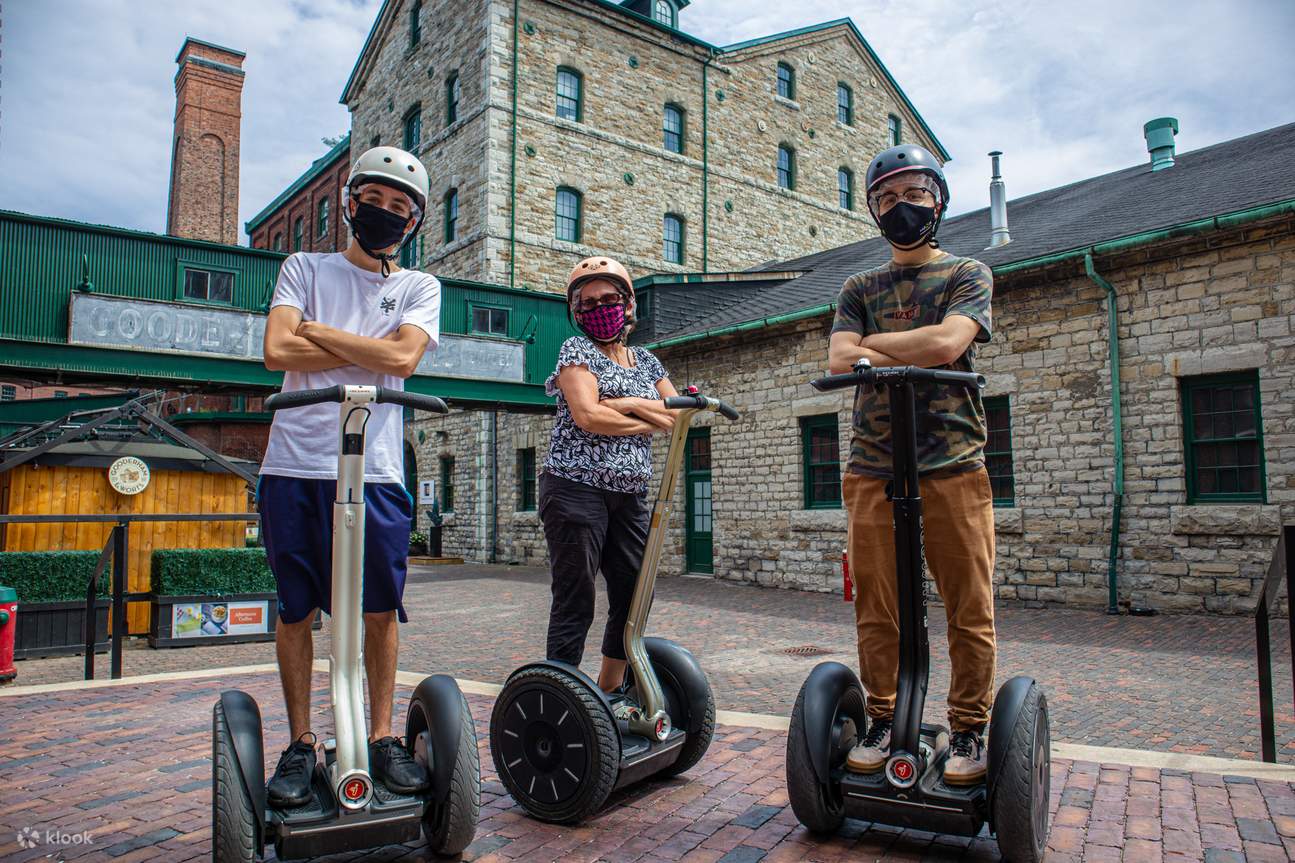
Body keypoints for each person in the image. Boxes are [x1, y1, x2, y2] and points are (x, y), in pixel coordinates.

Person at [258, 146, 441, 806]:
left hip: (379, 470)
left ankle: (384, 734)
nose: (385, 214)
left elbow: (404, 358)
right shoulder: (303, 266)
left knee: (379, 608)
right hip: (294, 464)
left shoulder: (419, 287)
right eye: (375, 200)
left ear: (413, 222)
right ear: (349, 203)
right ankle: (302, 739)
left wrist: (319, 332)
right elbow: (278, 348)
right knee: (296, 608)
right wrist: (371, 352)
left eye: (400, 207)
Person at [828, 144, 996, 785]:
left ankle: (969, 730)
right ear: (874, 211)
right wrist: (873, 350)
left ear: (939, 199)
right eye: (887, 199)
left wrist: (869, 345)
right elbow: (841, 362)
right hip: (873, 466)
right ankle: (881, 718)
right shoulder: (858, 287)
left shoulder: (968, 274)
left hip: (952, 460)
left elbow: (949, 342)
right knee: (877, 604)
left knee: (967, 603)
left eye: (914, 194)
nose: (902, 208)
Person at [541, 256, 678, 695]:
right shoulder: (575, 352)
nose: (600, 307)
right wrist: (642, 411)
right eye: (587, 302)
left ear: (628, 302)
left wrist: (616, 404)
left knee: (635, 593)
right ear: (576, 313)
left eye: (609, 298)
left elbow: (675, 417)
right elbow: (586, 416)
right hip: (574, 487)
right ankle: (560, 692)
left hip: (629, 494)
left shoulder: (649, 363)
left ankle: (608, 691)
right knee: (576, 595)